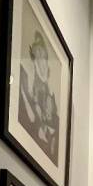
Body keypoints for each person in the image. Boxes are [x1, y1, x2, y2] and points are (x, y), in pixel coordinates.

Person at [18, 30, 60, 160]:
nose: (41, 61)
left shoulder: (49, 96)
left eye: (43, 56)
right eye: (37, 55)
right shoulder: (25, 79)